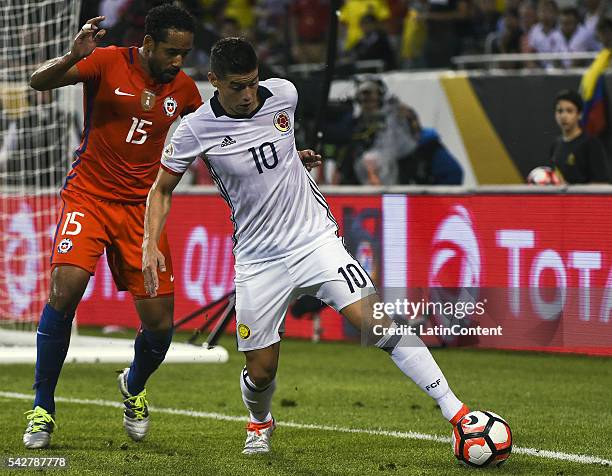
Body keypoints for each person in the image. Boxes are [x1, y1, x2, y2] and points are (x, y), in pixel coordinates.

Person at [142, 37, 470, 455]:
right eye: (236, 86)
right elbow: (162, 189)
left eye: (252, 83)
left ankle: (458, 413)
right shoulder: (194, 130)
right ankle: (259, 420)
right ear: (213, 82)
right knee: (261, 371)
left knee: (378, 324)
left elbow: (270, 151)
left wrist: (293, 157)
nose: (247, 95)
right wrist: (151, 241)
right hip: (258, 260)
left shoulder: (284, 94)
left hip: (314, 241)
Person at [23, 4, 203, 449]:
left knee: (160, 326)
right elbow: (37, 81)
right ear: (148, 45)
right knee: (65, 290)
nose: (178, 62)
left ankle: (134, 385)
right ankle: (42, 406)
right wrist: (70, 57)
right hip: (89, 197)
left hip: (142, 212)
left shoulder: (184, 89)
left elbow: (219, 137)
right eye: (171, 52)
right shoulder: (106, 61)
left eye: (185, 53)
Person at [549, 89, 609, 183]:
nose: (563, 116)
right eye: (560, 111)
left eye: (569, 111)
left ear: (580, 115)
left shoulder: (591, 143)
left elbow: (601, 183)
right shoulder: (555, 144)